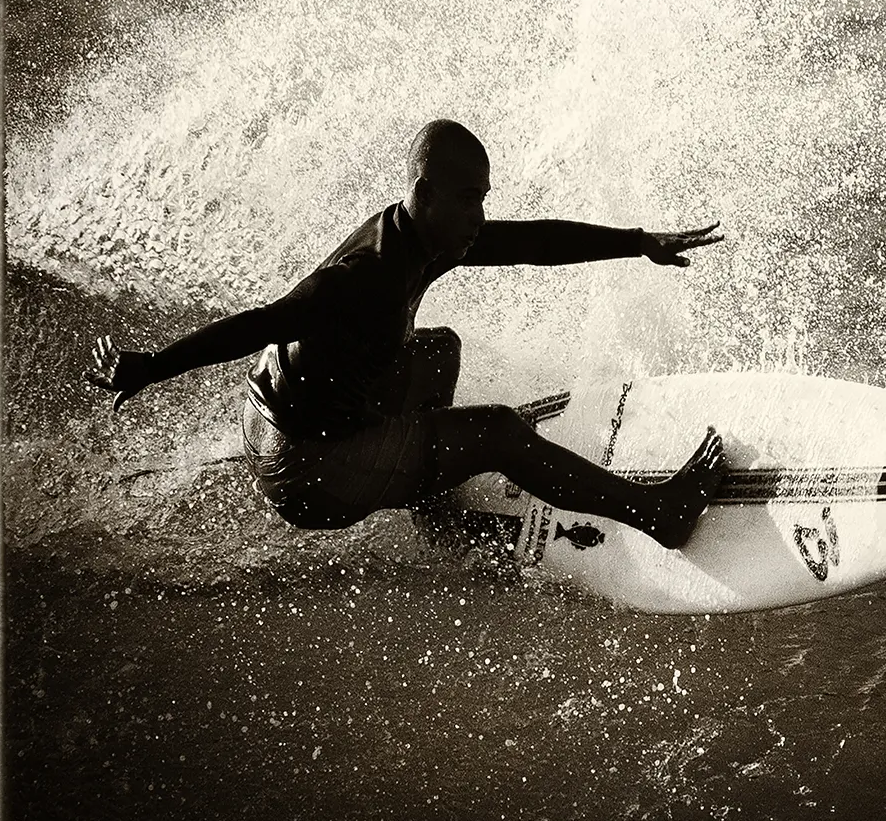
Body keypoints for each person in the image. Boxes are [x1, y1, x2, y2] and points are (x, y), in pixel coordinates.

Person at [86, 119, 728, 549]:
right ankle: (658, 515)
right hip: (308, 469)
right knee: (499, 432)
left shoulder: (428, 234)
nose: (481, 216)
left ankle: (435, 512)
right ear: (425, 192)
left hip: (311, 417)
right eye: (470, 199)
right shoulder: (367, 274)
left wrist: (637, 242)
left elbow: (533, 241)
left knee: (438, 349)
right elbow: (263, 323)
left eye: (484, 198)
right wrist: (148, 368)